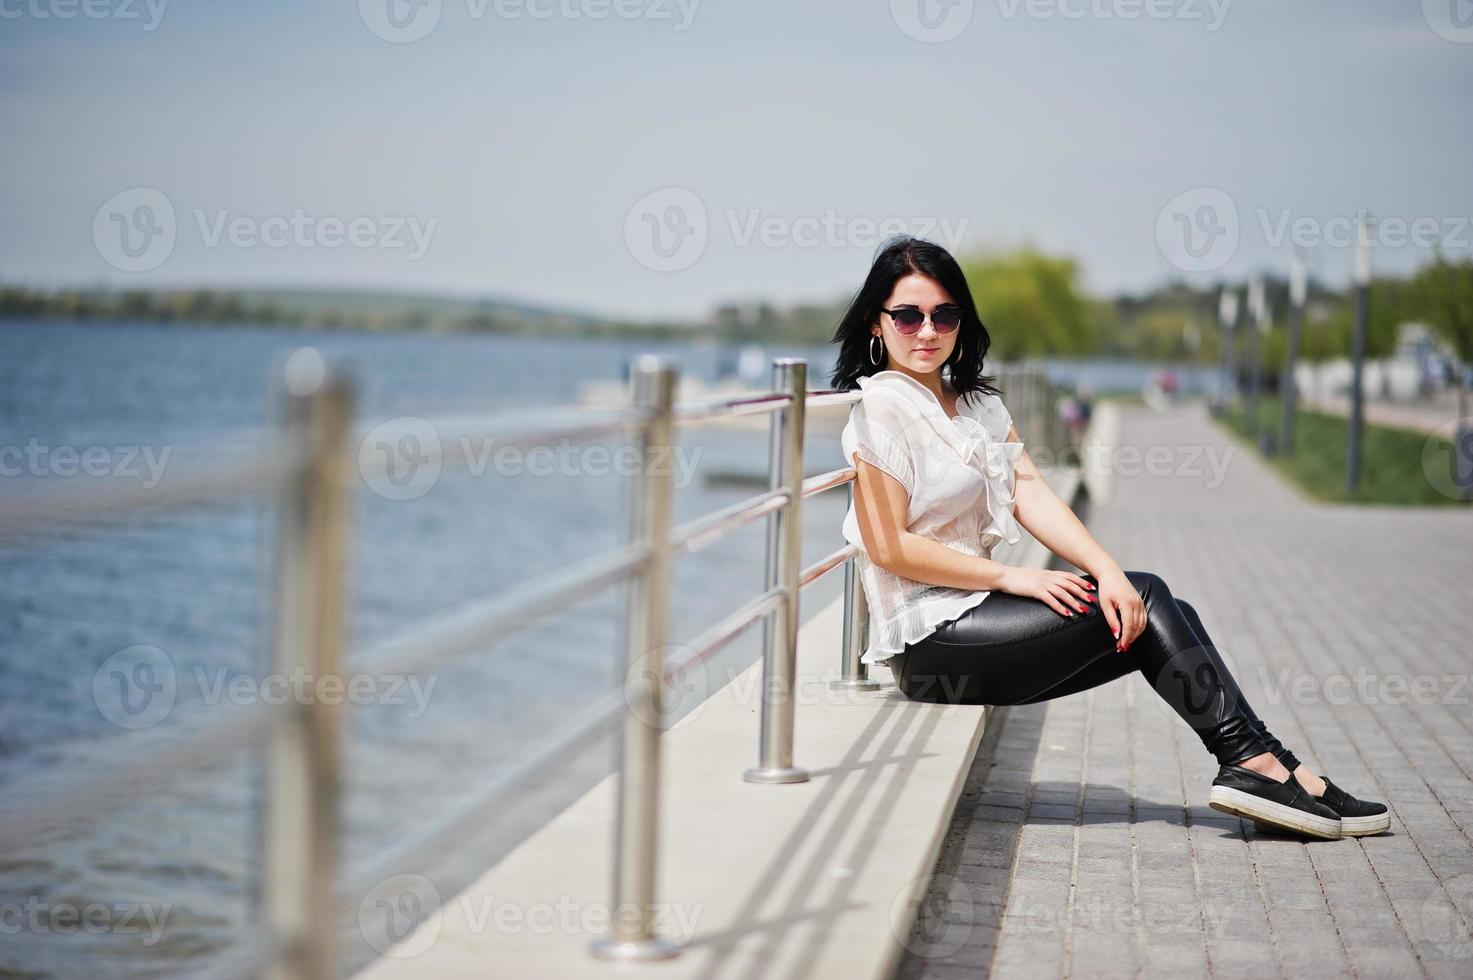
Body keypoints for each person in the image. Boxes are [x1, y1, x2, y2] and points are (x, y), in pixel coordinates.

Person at [828, 236, 1388, 840]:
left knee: (1148, 606)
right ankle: (1257, 765)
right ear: (876, 323)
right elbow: (889, 548)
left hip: (976, 617)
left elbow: (1031, 492)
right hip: (932, 644)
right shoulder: (879, 410)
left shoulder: (973, 404)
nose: (927, 331)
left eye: (945, 314)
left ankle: (1273, 767)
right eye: (908, 316)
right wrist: (1016, 575)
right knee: (1147, 602)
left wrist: (1107, 569)